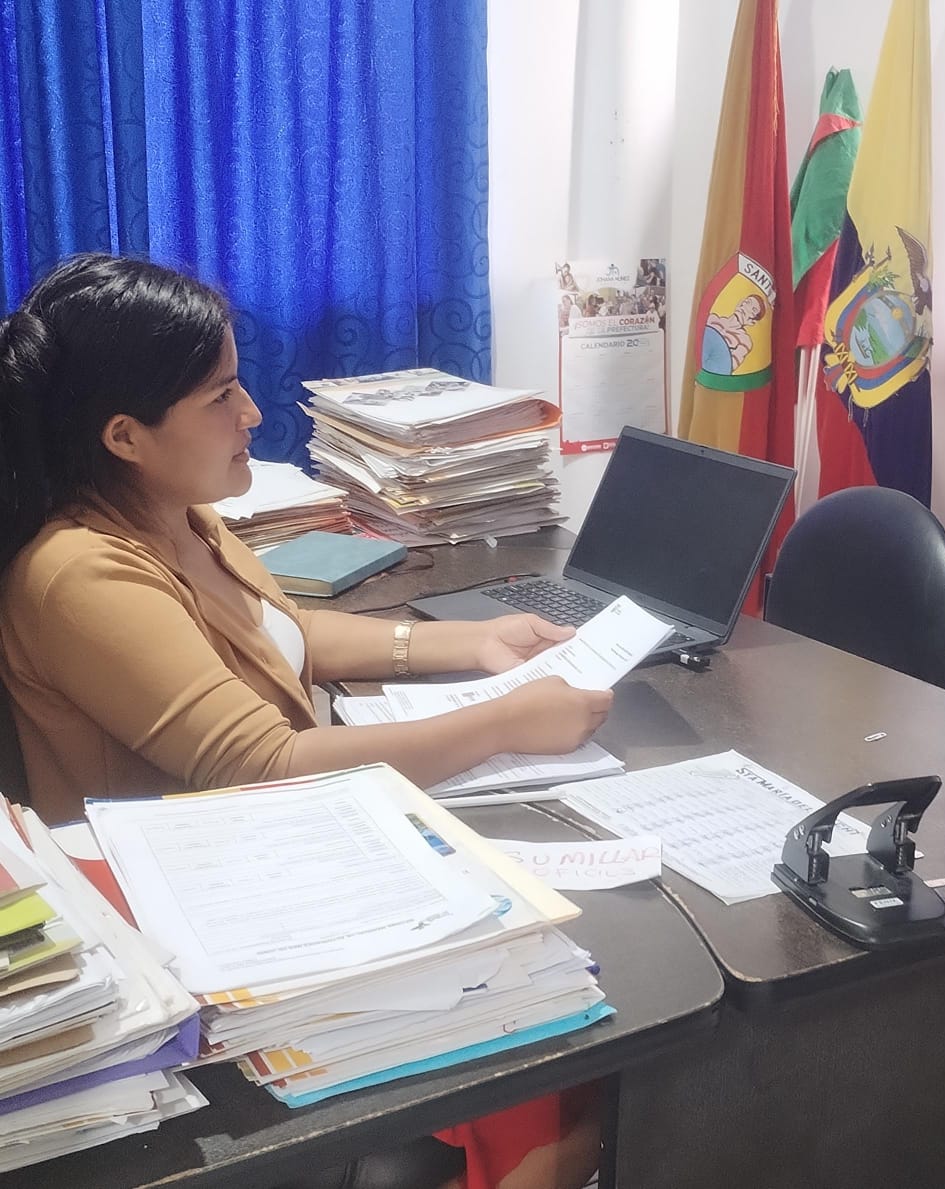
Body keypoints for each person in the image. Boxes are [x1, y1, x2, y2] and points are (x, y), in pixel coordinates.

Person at [0, 254, 607, 1189]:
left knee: (572, 1015)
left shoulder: (175, 514)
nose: (251, 412)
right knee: (546, 1029)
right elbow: (264, 761)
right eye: (221, 395)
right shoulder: (80, 571)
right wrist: (504, 722)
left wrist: (472, 642)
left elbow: (277, 633)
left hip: (276, 861)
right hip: (200, 930)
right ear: (125, 435)